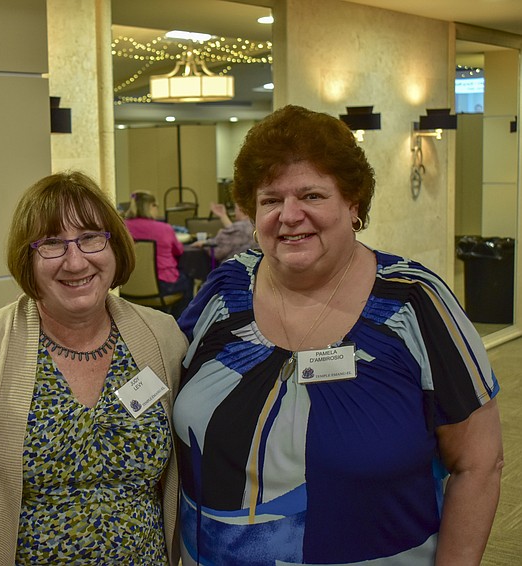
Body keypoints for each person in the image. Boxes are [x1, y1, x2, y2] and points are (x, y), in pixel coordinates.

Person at [172, 105, 503, 565]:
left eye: (311, 195)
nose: (289, 215)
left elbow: (479, 463)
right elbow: (155, 375)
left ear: (353, 204)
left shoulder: (414, 302)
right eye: (270, 200)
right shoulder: (224, 290)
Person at [0, 171, 188, 565]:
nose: (75, 261)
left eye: (90, 237)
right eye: (52, 243)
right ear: (27, 258)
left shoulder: (162, 338)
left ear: (113, 246)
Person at [124, 190, 194, 317]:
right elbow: (179, 251)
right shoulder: (164, 229)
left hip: (128, 285)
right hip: (163, 286)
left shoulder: (122, 227)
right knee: (189, 281)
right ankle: (180, 327)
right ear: (151, 206)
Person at [190, 201, 255, 263]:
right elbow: (236, 234)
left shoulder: (237, 228)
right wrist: (222, 215)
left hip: (232, 270)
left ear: (241, 210)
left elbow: (217, 253)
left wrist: (204, 244)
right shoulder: (254, 226)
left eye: (235, 208)